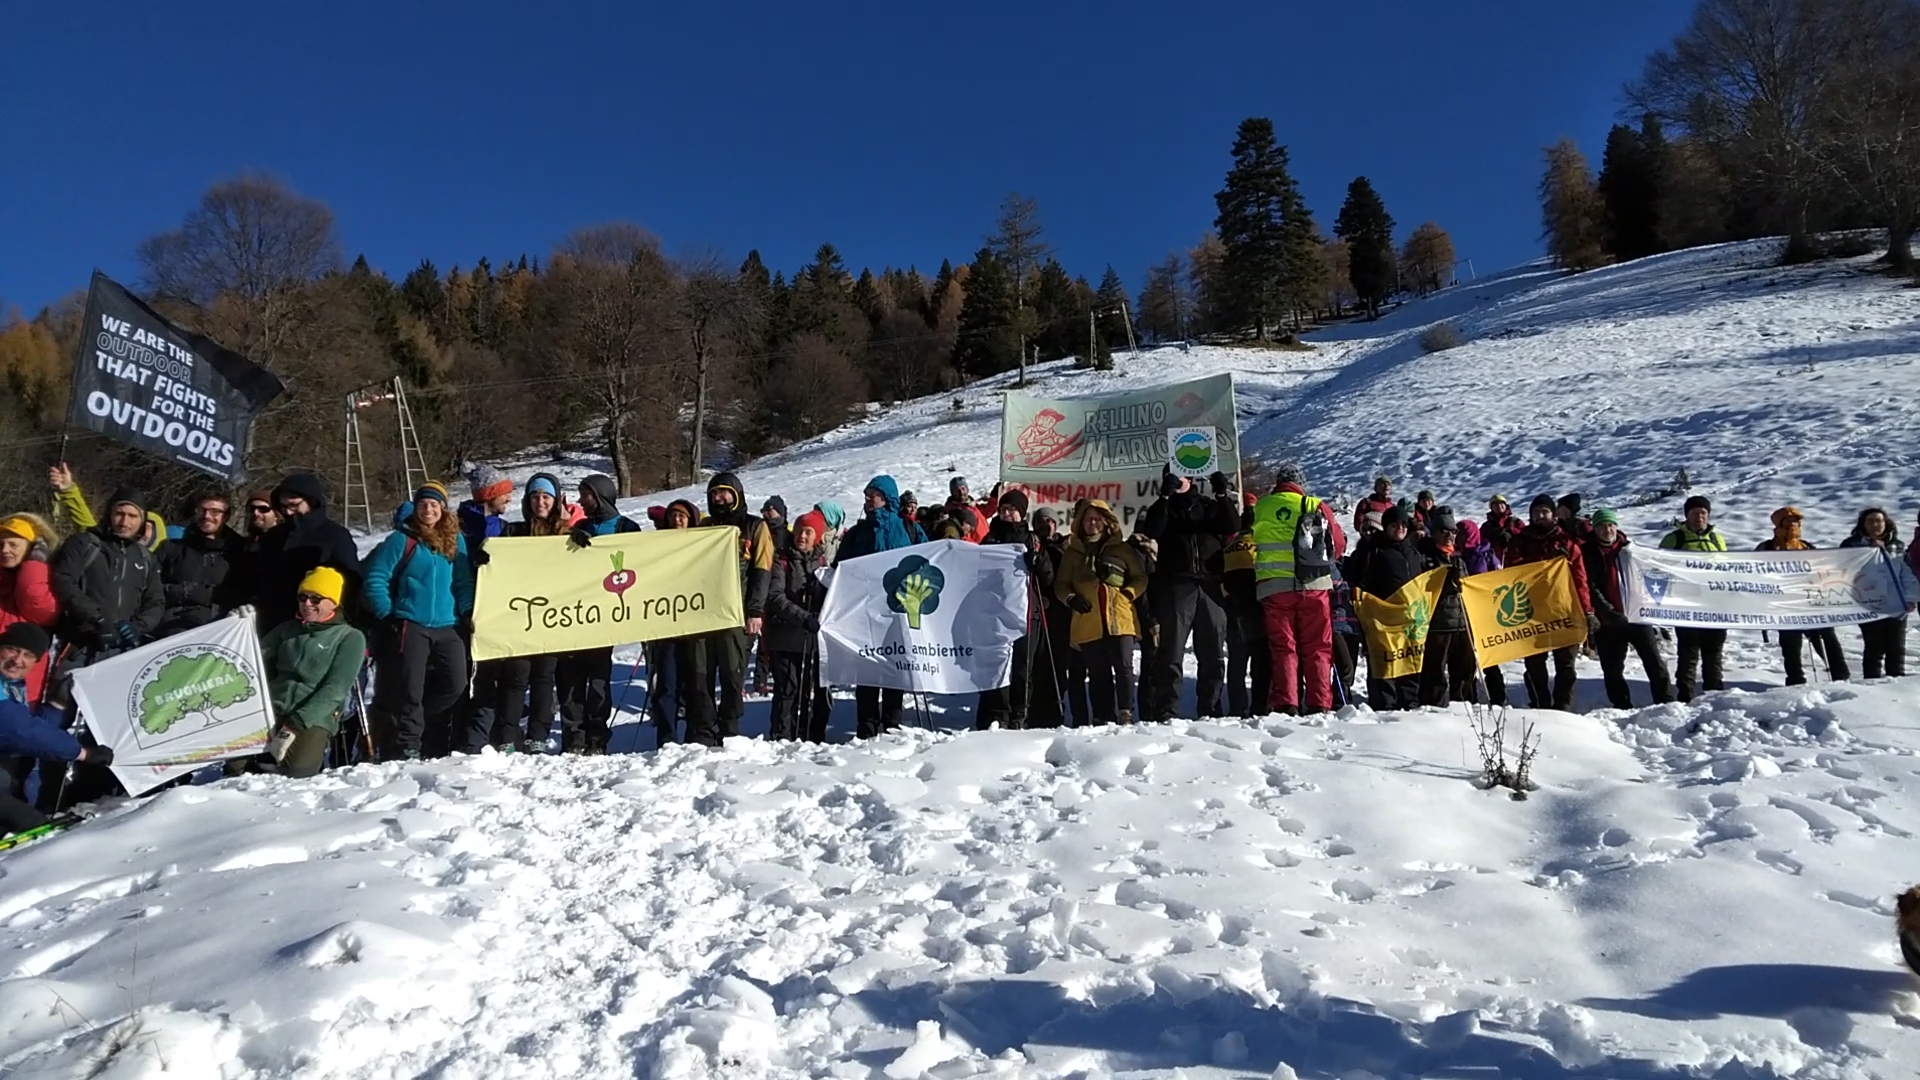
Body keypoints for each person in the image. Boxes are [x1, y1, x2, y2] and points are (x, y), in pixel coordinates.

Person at [362, 482, 475, 759]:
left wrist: (468, 611)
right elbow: (376, 577)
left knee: (455, 684)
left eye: (434, 504)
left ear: (443, 509)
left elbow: (462, 582)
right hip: (410, 623)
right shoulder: (402, 540)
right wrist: (387, 613)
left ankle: (420, 723)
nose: (428, 509)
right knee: (410, 688)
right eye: (423, 504)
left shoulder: (455, 540)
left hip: (447, 624)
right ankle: (408, 745)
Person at [1135, 468, 1238, 720]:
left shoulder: (1208, 505)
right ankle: (1167, 710)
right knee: (1171, 651)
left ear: (1191, 478)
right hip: (1177, 585)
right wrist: (1164, 498)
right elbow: (1152, 531)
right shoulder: (1163, 506)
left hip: (1210, 585)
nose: (1178, 480)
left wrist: (1223, 495)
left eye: (1181, 476)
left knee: (1213, 651)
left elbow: (1231, 525)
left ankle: (1211, 708)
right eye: (1172, 476)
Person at [556, 474, 643, 753]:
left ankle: (596, 737)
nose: (581, 501)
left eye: (586, 495)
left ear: (601, 496)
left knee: (598, 683)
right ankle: (573, 738)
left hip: (607, 618)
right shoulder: (580, 526)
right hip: (577, 615)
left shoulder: (627, 528)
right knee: (570, 682)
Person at [1251, 462, 1346, 716]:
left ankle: (1286, 702)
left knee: (1283, 647)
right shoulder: (1314, 505)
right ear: (1300, 484)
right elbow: (1337, 545)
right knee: (1318, 646)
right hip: (1313, 585)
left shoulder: (1260, 507)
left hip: (1274, 587)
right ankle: (1319, 703)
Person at [483, 474, 569, 751]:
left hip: (552, 616)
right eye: (535, 497)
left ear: (554, 501)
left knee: (544, 677)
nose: (540, 502)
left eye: (545, 497)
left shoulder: (565, 535)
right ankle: (508, 736)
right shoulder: (515, 532)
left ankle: (538, 736)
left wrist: (580, 544)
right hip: (519, 615)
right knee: (515, 675)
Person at [2, 623, 113, 835]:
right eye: (12, 649)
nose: (17, 660)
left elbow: (24, 726)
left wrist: (56, 705)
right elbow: (19, 730)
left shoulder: (12, 685)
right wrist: (83, 753)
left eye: (27, 654)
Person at [261, 568, 367, 778]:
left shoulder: (349, 637)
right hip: (273, 707)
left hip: (314, 714)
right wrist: (240, 624)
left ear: (333, 602)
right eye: (303, 597)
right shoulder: (286, 630)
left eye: (316, 598)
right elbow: (253, 656)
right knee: (238, 768)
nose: (307, 604)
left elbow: (335, 689)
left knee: (297, 771)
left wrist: (295, 724)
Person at [694, 473, 774, 746]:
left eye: (726, 492)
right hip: (704, 613)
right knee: (700, 673)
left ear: (737, 494)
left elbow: (763, 569)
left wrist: (755, 610)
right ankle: (703, 730)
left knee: (732, 672)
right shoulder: (703, 527)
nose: (720, 498)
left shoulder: (755, 526)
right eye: (715, 493)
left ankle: (728, 727)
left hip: (736, 613)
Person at [836, 475, 918, 737]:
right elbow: (841, 567)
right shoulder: (858, 532)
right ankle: (867, 725)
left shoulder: (908, 528)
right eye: (867, 494)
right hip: (866, 610)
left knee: (895, 664)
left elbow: (925, 560)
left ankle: (892, 723)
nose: (868, 499)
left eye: (873, 494)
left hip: (897, 610)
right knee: (867, 667)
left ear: (887, 497)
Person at [1055, 500, 1147, 725]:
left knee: (1124, 665)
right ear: (1080, 523)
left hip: (1120, 615)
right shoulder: (1073, 553)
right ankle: (1102, 715)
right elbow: (1061, 584)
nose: (1092, 523)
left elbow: (1140, 577)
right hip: (1088, 618)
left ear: (1106, 521)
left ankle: (1125, 711)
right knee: (1098, 671)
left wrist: (1128, 594)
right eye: (1087, 519)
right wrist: (1071, 598)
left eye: (1097, 518)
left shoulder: (1121, 548)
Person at [976, 491, 1057, 731]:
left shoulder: (1032, 540)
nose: (1006, 513)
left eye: (1012, 509)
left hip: (1026, 613)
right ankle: (998, 714)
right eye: (1003, 509)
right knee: (997, 666)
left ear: (1022, 513)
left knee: (1023, 667)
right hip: (995, 614)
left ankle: (1020, 714)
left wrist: (1038, 561)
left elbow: (1049, 578)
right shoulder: (990, 540)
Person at [1507, 494, 1594, 711]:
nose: (1540, 516)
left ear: (1553, 514)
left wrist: (1587, 610)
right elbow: (1510, 572)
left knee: (1566, 664)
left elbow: (1580, 578)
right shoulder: (1520, 541)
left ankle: (1563, 705)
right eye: (1535, 513)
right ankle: (1539, 704)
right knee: (1534, 665)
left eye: (1544, 512)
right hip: (1531, 612)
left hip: (1563, 609)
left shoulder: (1566, 542)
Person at [1582, 508, 1674, 709]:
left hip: (1637, 615)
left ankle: (1666, 701)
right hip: (1608, 621)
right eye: (1602, 525)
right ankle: (1622, 705)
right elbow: (1589, 585)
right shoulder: (1588, 552)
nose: (1607, 529)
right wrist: (1607, 611)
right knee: (1612, 668)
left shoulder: (1631, 549)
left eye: (1610, 524)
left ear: (1616, 526)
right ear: (1594, 528)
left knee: (1654, 662)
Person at [255, 473, 362, 632]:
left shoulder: (334, 535)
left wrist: (343, 618)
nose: (289, 512)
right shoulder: (273, 536)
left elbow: (351, 581)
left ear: (311, 501)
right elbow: (256, 576)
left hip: (316, 623)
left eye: (294, 505)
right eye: (284, 507)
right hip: (271, 621)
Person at [1756, 507, 1851, 685]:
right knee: (1790, 643)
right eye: (1788, 520)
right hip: (1784, 604)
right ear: (1779, 523)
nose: (1793, 523)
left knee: (1828, 637)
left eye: (1796, 520)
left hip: (1811, 602)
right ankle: (1795, 680)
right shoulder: (1767, 548)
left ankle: (1841, 676)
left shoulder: (1807, 547)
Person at [765, 510, 830, 741]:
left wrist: (822, 592)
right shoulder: (780, 559)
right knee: (787, 690)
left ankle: (805, 736)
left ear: (817, 536)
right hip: (784, 633)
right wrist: (803, 616)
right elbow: (775, 597)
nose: (802, 536)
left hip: (810, 637)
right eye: (799, 530)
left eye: (808, 532)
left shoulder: (822, 562)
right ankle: (782, 737)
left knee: (806, 690)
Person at [1359, 506, 1431, 710]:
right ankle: (1384, 707)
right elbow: (1363, 582)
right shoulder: (1375, 550)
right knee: (1387, 661)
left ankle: (1410, 702)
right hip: (1384, 618)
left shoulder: (1413, 552)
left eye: (1403, 524)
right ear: (1386, 527)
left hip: (1411, 617)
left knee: (1409, 660)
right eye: (1394, 524)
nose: (1400, 528)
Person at [1659, 495, 1728, 700]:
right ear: (1686, 515)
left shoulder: (1717, 539)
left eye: (1703, 513)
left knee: (1714, 651)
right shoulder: (1675, 539)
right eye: (1695, 513)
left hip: (1715, 604)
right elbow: (1659, 567)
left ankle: (1714, 692)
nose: (1700, 517)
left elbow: (1726, 567)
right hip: (1687, 604)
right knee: (1689, 652)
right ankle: (1686, 694)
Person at [155, 492, 248, 637]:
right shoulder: (170, 548)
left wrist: (210, 596)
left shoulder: (240, 552)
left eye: (215, 511)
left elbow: (244, 593)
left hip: (220, 630)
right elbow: (150, 588)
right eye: (202, 510)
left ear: (226, 516)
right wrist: (185, 592)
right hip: (171, 628)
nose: (207, 516)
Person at [1415, 509, 1481, 708]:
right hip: (1437, 624)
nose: (1449, 535)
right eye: (1444, 530)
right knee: (1434, 672)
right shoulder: (1425, 557)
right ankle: (1433, 710)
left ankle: (1464, 708)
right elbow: (1420, 588)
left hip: (1462, 623)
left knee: (1464, 672)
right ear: (1434, 532)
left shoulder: (1459, 558)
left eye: (1452, 531)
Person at [1842, 507, 1910, 678]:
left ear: (1886, 523)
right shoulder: (1851, 545)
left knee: (1896, 645)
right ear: (1863, 524)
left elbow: (1905, 572)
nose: (1875, 525)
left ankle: (1897, 680)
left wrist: (1910, 597)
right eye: (1870, 521)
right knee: (1874, 644)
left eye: (1878, 521)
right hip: (1868, 601)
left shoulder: (1897, 545)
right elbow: (1843, 570)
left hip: (1895, 601)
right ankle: (1872, 682)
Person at [0, 514, 59, 706]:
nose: (5, 550)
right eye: (1, 544)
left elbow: (35, 601)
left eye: (13, 545)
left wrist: (34, 564)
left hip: (22, 674)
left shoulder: (45, 581)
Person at [1032, 508, 1084, 727]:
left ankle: (1056, 708)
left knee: (1060, 664)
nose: (1047, 525)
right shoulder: (1030, 545)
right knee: (1038, 664)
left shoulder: (1066, 547)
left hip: (1062, 613)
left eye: (1051, 520)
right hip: (1037, 612)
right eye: (1042, 521)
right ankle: (1036, 710)